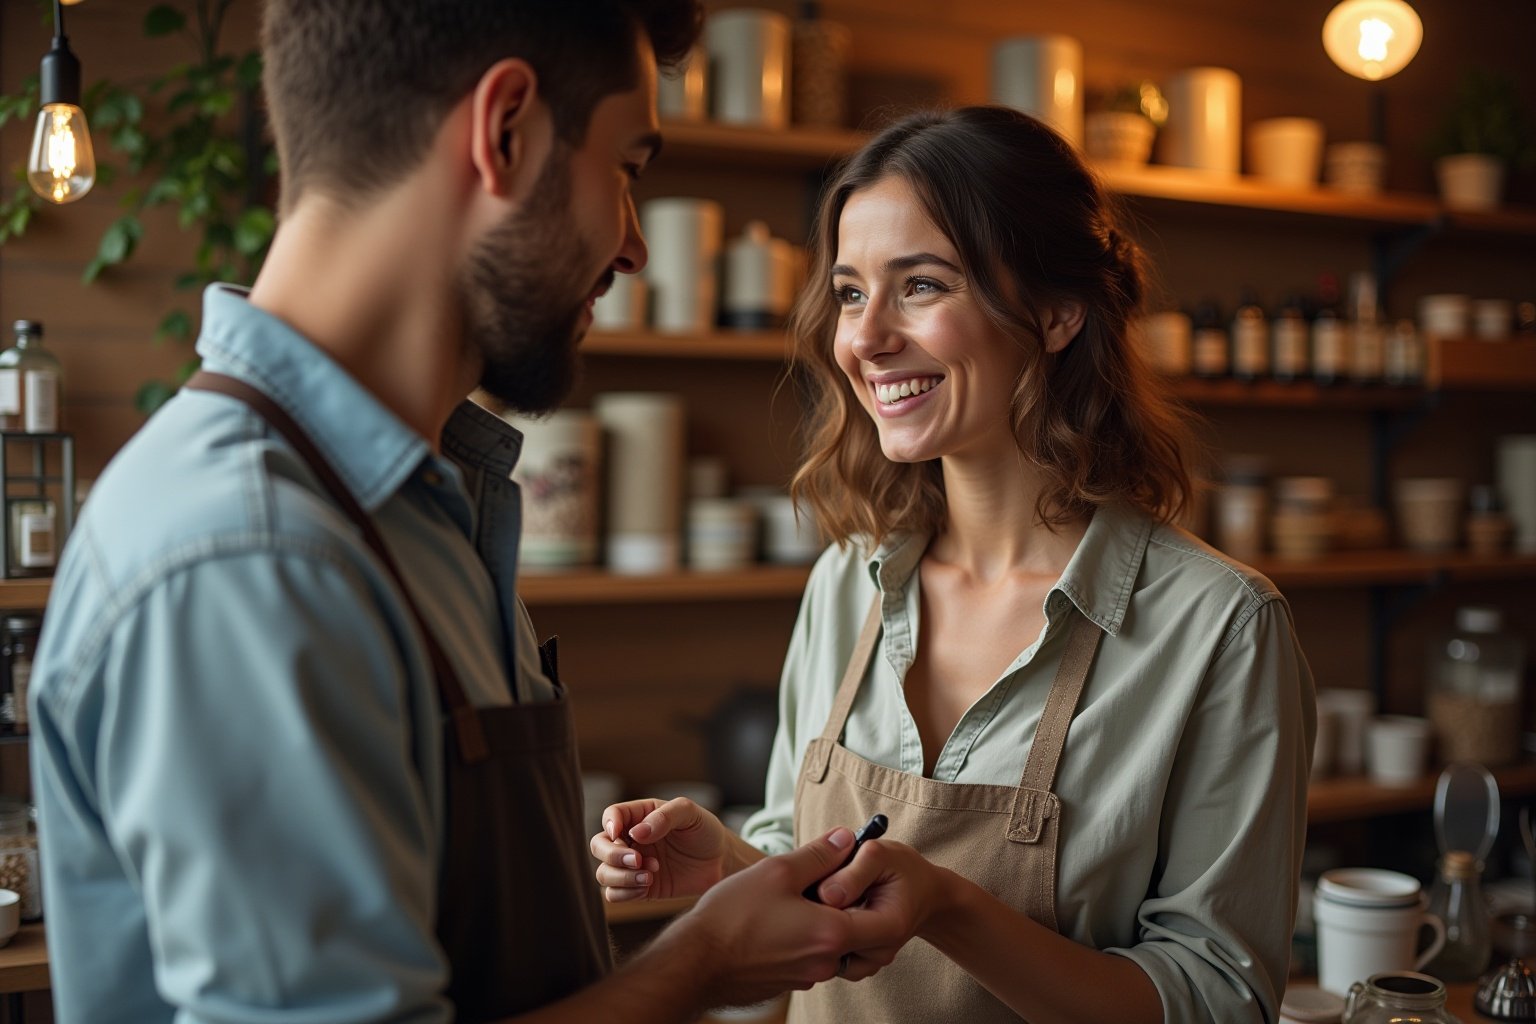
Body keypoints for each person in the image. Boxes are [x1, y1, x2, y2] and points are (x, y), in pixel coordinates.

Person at [28, 3, 910, 1022]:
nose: (634, 248)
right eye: (626, 166)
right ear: (506, 134)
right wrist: (700, 964)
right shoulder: (252, 557)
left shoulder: (417, 506)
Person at [592, 105, 1316, 1024]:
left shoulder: (1220, 627)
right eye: (851, 293)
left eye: (921, 285)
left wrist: (950, 908)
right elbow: (807, 859)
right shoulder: (848, 580)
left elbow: (1217, 1000)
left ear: (1056, 313)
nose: (864, 337)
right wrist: (729, 867)